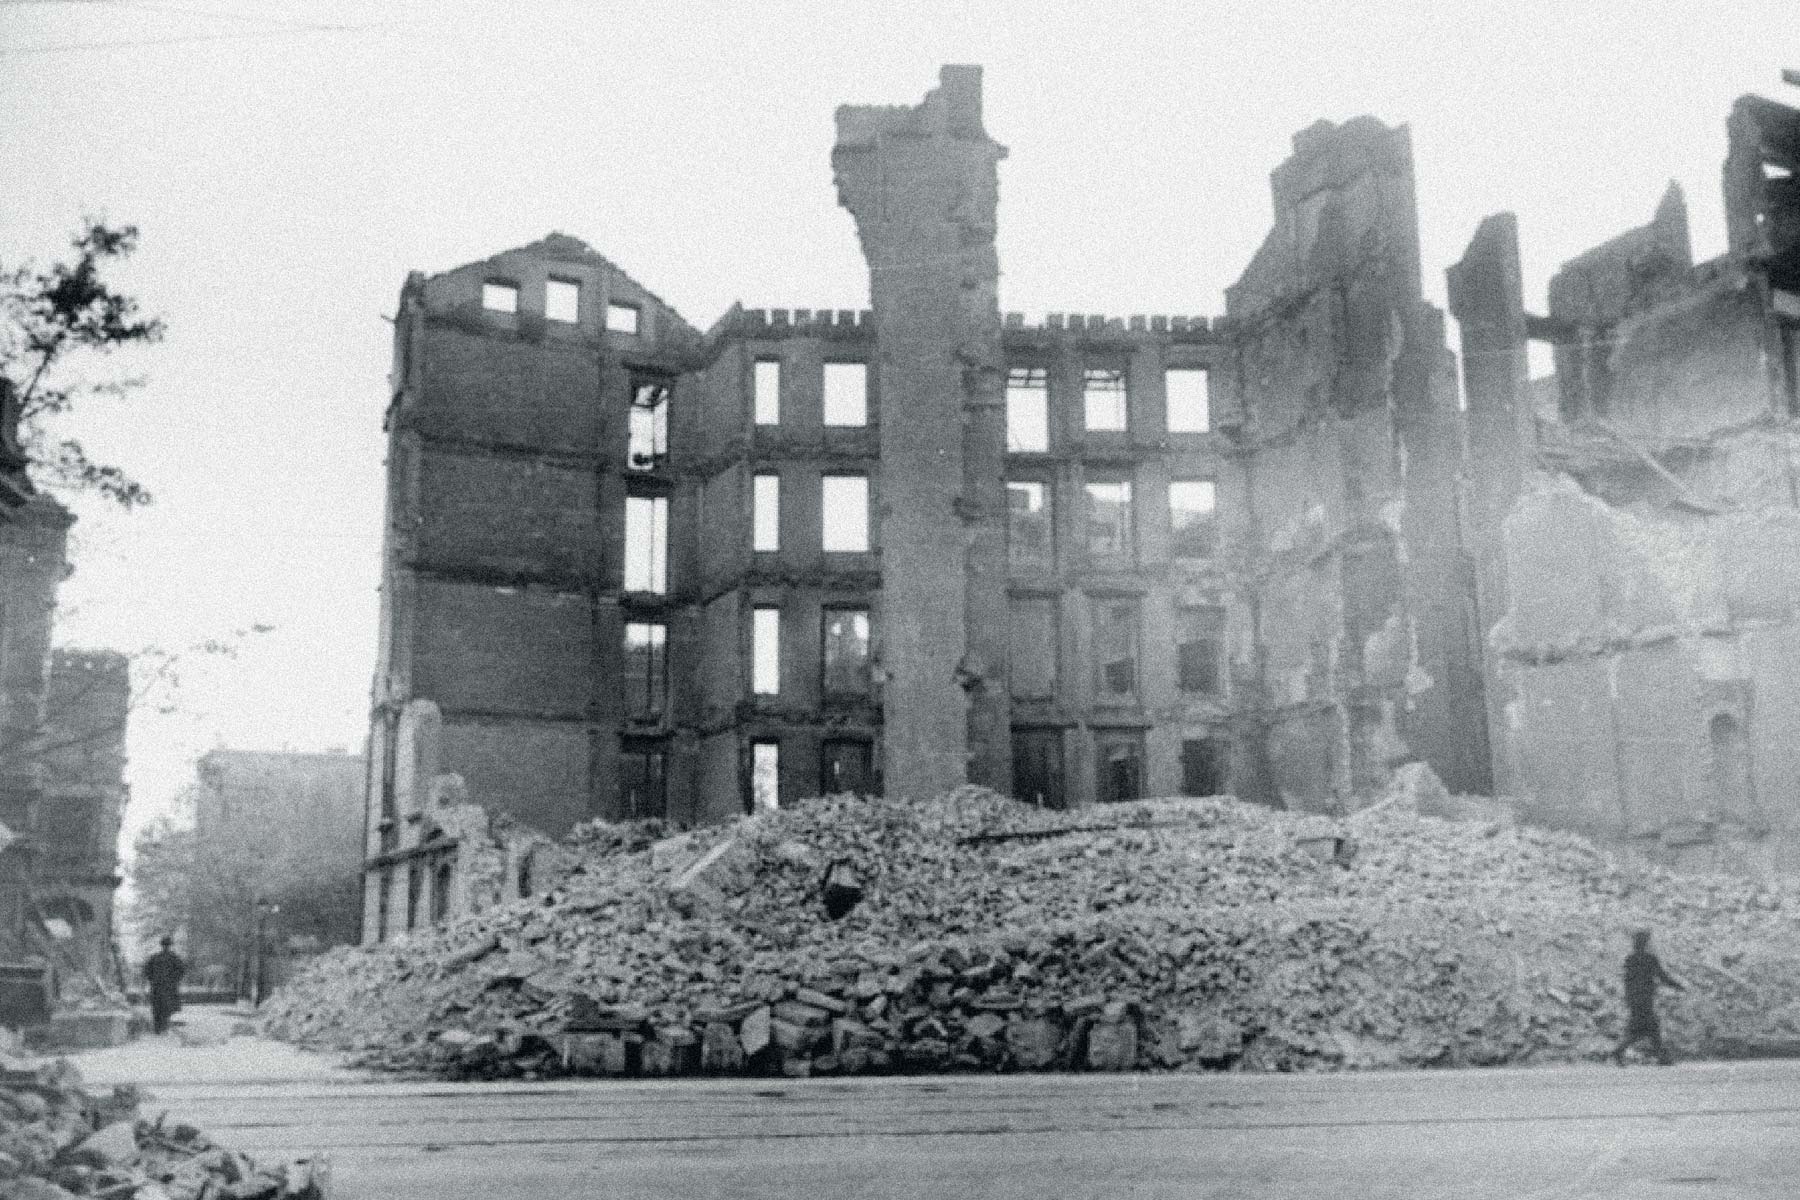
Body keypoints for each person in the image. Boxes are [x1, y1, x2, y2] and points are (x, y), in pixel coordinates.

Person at [1612, 929, 1683, 1066]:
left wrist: (1629, 998)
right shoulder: (1650, 959)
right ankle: (1660, 1057)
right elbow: (1662, 977)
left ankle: (1660, 1056)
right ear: (1645, 943)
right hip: (1645, 998)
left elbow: (1627, 981)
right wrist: (1677, 986)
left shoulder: (1630, 959)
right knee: (1650, 1028)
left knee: (1643, 1028)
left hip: (1634, 999)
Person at [144, 935, 186, 1036]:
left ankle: (158, 1028)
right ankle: (163, 1027)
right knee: (166, 1008)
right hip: (169, 987)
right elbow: (181, 971)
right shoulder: (174, 958)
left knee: (157, 1008)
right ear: (169, 945)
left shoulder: (154, 958)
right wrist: (174, 980)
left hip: (157, 987)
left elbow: (147, 971)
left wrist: (153, 980)